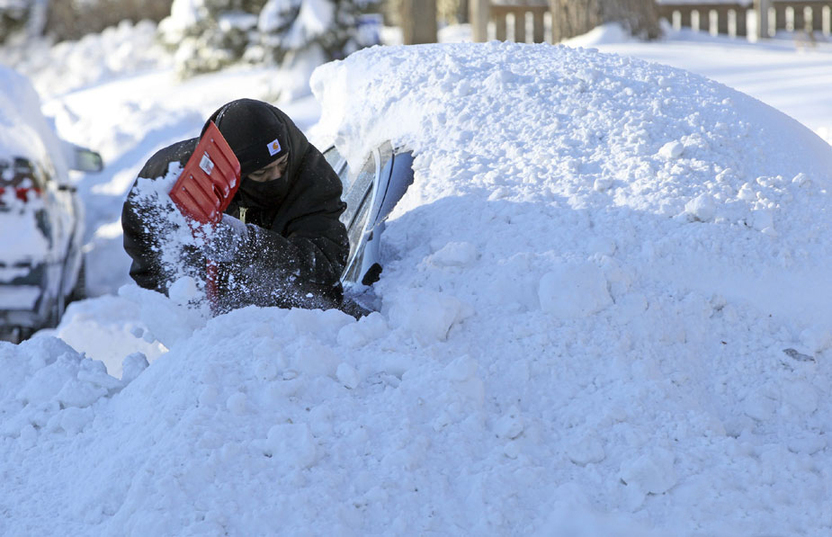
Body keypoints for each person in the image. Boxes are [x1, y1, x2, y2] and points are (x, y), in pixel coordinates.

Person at [121, 98, 353, 315]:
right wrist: (182, 304)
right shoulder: (175, 175)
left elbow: (325, 267)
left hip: (289, 326)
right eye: (261, 172)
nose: (277, 176)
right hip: (207, 328)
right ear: (233, 170)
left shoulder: (311, 179)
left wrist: (249, 245)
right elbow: (145, 245)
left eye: (282, 164)